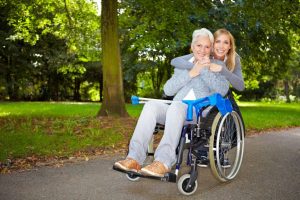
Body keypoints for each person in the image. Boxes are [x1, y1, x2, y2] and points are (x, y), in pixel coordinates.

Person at [114, 28, 229, 178]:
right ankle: (134, 158)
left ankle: (164, 161)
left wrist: (204, 70)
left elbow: (223, 89)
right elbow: (168, 89)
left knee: (177, 106)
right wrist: (191, 73)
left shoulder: (216, 65)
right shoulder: (183, 64)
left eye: (207, 46)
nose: (202, 50)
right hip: (175, 108)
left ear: (211, 49)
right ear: (192, 47)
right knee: (151, 105)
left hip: (198, 113)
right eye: (199, 45)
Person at [171, 28, 245, 91]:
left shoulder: (234, 58)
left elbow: (241, 87)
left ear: (230, 46)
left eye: (225, 42)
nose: (221, 46)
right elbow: (175, 61)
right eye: (218, 41)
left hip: (220, 92)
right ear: (212, 44)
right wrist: (198, 67)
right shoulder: (205, 53)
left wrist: (222, 70)